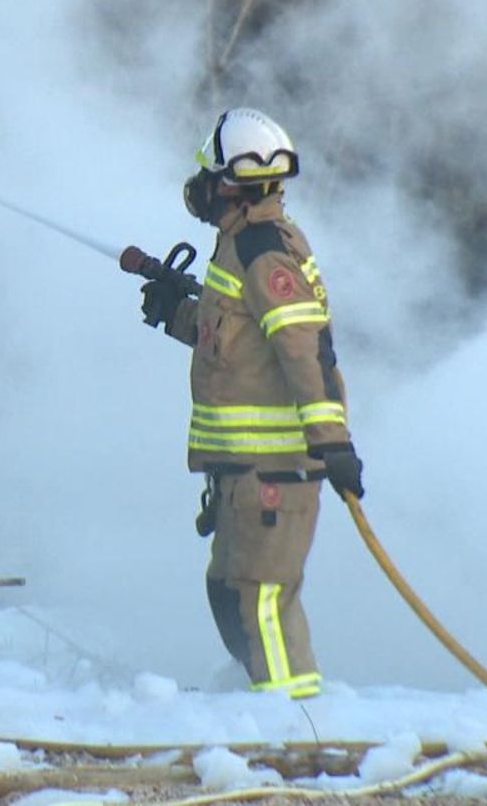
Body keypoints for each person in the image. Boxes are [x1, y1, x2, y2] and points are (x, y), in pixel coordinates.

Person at [139, 107, 364, 700]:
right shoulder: (238, 248)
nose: (200, 190)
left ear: (229, 185)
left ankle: (295, 726)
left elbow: (303, 346)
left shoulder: (265, 251)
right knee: (230, 592)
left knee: (263, 598)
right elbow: (232, 341)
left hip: (276, 471)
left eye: (207, 177)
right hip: (243, 472)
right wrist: (174, 314)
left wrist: (331, 441)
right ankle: (260, 704)